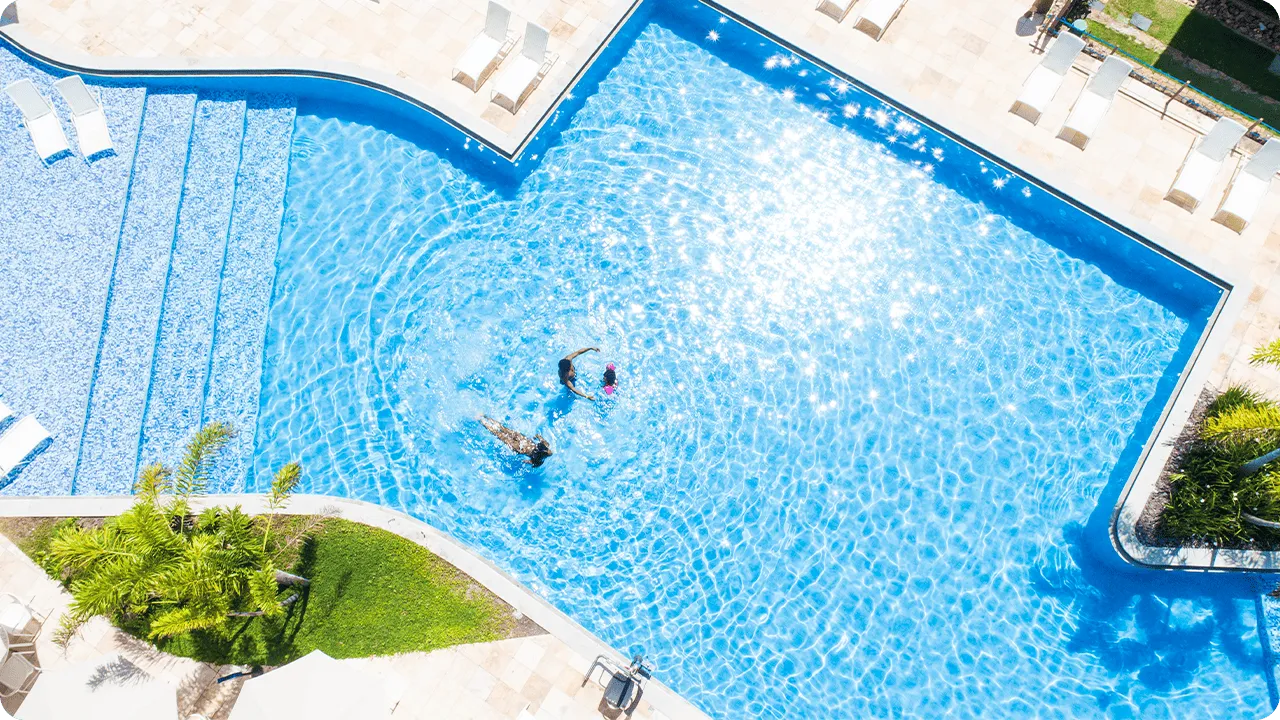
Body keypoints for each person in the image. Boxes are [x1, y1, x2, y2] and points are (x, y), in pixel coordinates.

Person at [479, 416, 553, 467]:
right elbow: (528, 462)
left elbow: (538, 435)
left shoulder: (545, 444)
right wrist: (524, 461)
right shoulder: (538, 461)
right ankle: (481, 420)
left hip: (524, 440)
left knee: (503, 428)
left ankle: (484, 416)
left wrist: (535, 437)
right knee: (498, 434)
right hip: (520, 449)